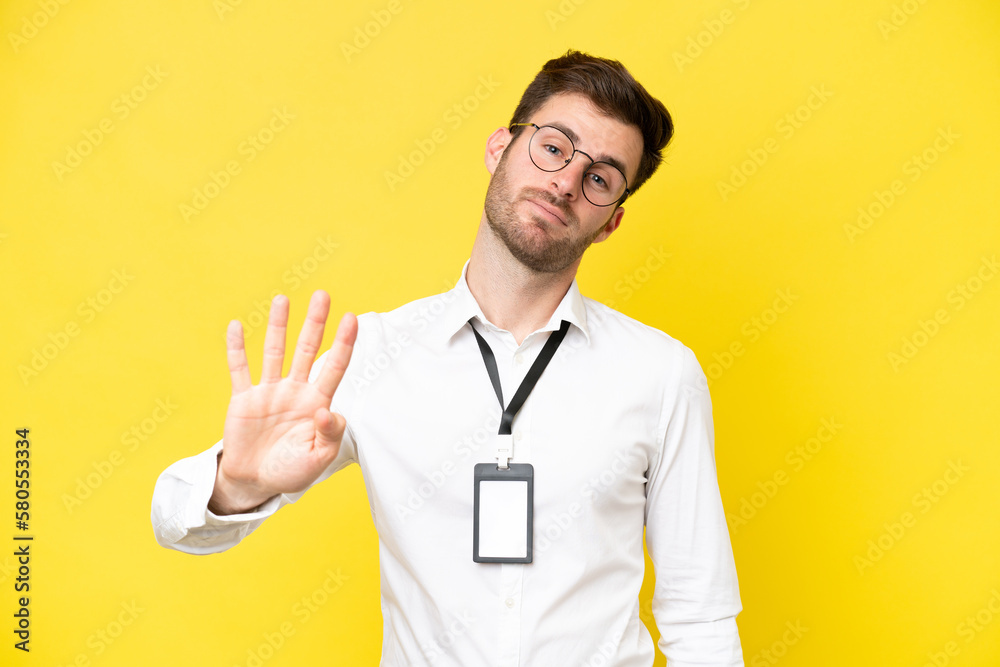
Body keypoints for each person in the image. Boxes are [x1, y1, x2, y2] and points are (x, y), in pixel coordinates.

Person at [151, 49, 744, 666]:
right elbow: (176, 523)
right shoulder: (375, 353)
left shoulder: (663, 374)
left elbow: (700, 617)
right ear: (499, 149)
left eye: (600, 177)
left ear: (610, 223)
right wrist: (236, 484)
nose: (566, 181)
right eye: (553, 147)